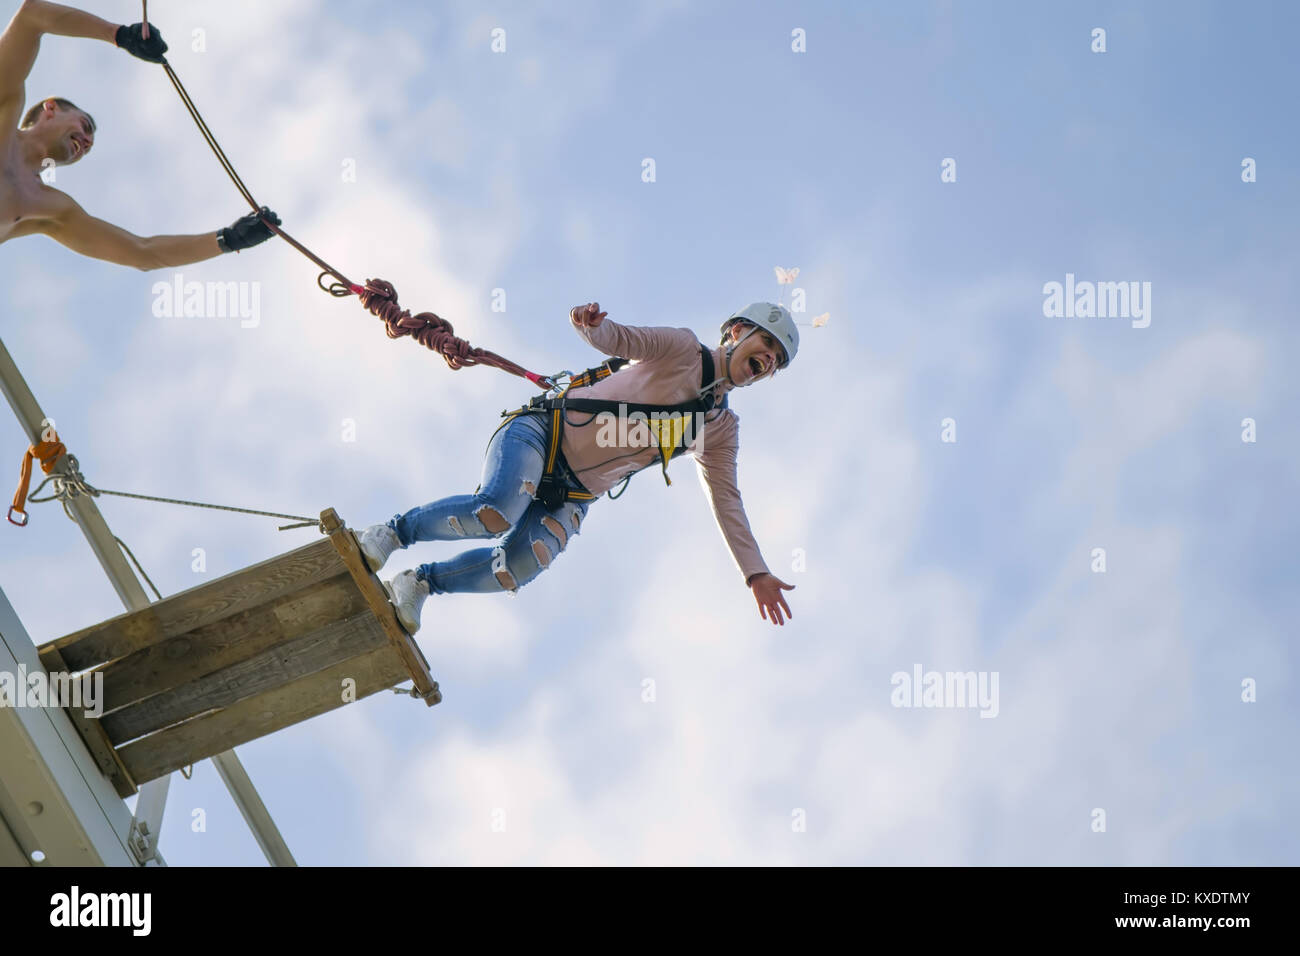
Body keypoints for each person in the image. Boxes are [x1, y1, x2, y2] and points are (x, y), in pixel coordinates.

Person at [357, 301, 799, 631]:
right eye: (767, 345)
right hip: (543, 434)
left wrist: (754, 571)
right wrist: (592, 325)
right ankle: (391, 533)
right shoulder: (682, 348)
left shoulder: (719, 428)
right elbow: (624, 340)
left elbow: (726, 500)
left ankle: (419, 583)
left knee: (518, 566)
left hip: (573, 493)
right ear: (737, 331)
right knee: (496, 510)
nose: (769, 361)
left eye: (776, 362)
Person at [0, 1, 279, 268]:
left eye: (89, 146)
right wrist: (120, 35)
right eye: (84, 126)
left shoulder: (49, 208)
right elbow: (31, 16)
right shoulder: (5, 104)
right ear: (50, 109)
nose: (85, 143)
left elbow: (141, 252)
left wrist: (229, 239)